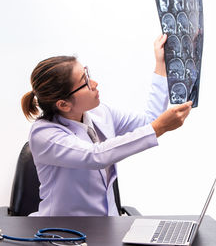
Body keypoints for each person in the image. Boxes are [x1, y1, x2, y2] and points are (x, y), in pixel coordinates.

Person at [21, 34, 192, 216]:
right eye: (85, 82)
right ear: (63, 104)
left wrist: (161, 65)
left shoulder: (100, 113)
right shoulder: (44, 135)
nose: (94, 84)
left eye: (88, 75)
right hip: (64, 235)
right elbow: (95, 156)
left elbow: (150, 121)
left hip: (108, 228)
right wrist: (159, 128)